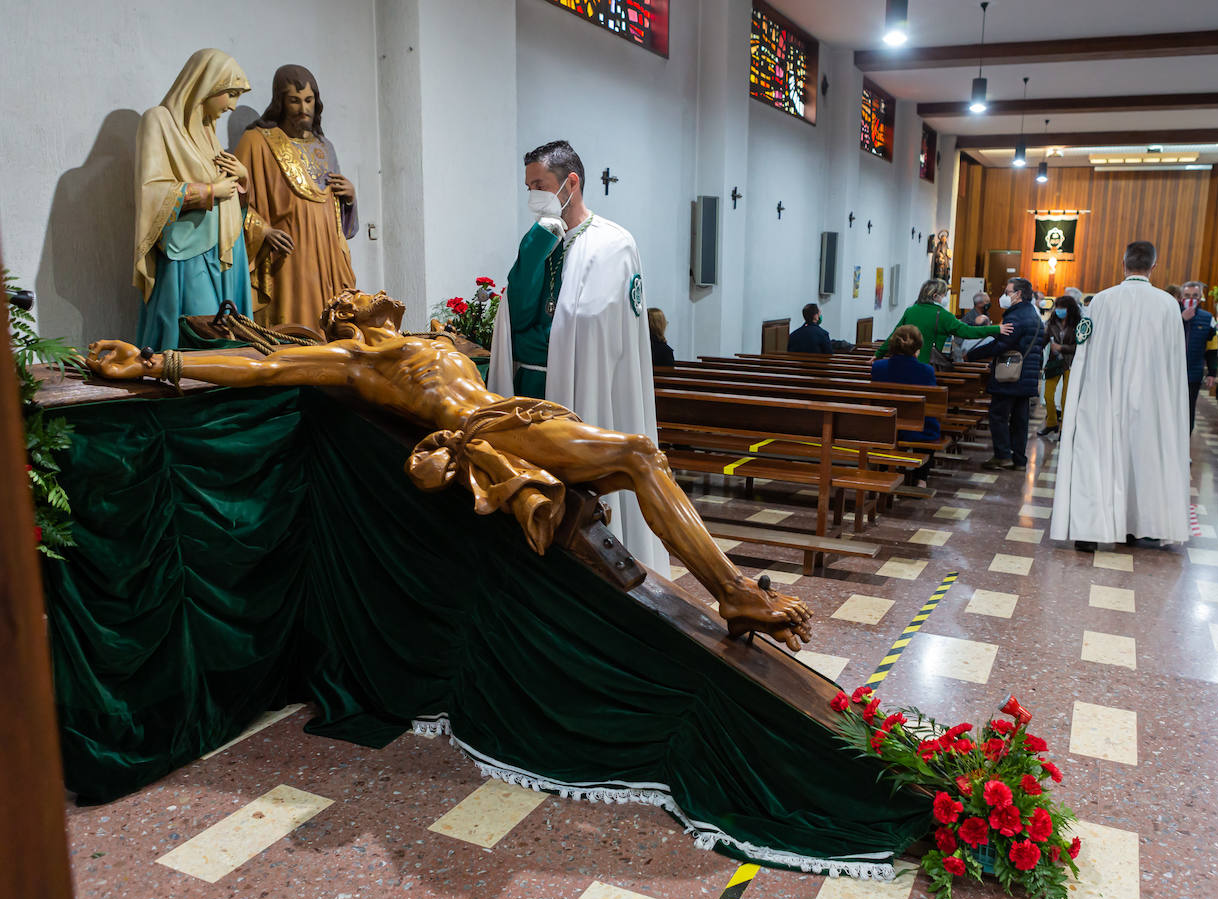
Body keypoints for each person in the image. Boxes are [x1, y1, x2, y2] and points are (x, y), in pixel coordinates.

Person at [87, 289, 812, 650]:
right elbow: (264, 366)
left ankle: (732, 590)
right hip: (487, 432)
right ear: (346, 315)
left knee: (638, 456)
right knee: (636, 454)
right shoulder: (356, 357)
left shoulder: (427, 337)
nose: (368, 288)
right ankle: (732, 593)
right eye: (354, 291)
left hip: (521, 413)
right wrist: (159, 362)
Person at [489, 139, 667, 573]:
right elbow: (517, 315)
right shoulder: (540, 238)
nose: (533, 194)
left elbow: (593, 325)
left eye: (540, 185)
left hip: (582, 392)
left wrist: (550, 337)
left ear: (571, 183)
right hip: (531, 393)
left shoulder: (614, 244)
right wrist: (535, 247)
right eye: (528, 185)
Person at [1049, 241, 1190, 550]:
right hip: (1152, 399)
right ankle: (1139, 526)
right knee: (1144, 459)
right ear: (1154, 267)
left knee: (1096, 459)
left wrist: (1080, 397)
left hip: (1104, 396)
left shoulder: (1101, 301)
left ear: (1122, 264)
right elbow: (1174, 362)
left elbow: (1084, 352)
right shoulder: (1168, 304)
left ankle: (1090, 530)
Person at [133, 49, 254, 351]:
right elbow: (151, 191)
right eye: (230, 94)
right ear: (207, 84)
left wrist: (243, 180)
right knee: (199, 335)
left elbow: (230, 193)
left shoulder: (208, 131)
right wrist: (209, 193)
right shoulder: (158, 121)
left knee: (228, 337)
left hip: (226, 250)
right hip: (189, 251)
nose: (233, 105)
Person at [235, 65, 359, 331]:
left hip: (327, 256)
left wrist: (349, 200)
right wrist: (263, 230)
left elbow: (338, 216)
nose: (303, 107)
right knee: (293, 326)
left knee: (329, 326)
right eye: (294, 100)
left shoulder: (325, 147)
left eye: (309, 100)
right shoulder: (256, 142)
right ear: (280, 101)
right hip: (287, 255)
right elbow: (235, 202)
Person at [976, 277, 1041, 471]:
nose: (1004, 296)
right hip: (1027, 374)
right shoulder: (1034, 314)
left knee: (998, 416)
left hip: (1010, 375)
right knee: (1020, 420)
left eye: (1007, 292)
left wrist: (972, 354)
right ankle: (1019, 459)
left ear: (1018, 294)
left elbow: (1002, 345)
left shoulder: (1016, 316)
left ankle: (1003, 455)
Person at [875, 278, 1009, 362]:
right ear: (935, 296)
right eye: (945, 294)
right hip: (929, 363)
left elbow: (894, 334)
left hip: (906, 361)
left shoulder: (911, 310)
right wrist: (996, 328)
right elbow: (967, 332)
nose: (946, 298)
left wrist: (878, 354)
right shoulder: (944, 315)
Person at [870, 325, 941, 442]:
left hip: (885, 424)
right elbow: (933, 402)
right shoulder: (926, 370)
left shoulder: (878, 367)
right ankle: (928, 459)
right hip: (919, 428)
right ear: (917, 348)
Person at [1179, 280, 1218, 433]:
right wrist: (1181, 320)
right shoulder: (1172, 314)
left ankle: (1184, 449)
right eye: (1187, 295)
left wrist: (1212, 373)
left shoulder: (1208, 318)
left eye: (1195, 295)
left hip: (1193, 373)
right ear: (1182, 297)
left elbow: (1212, 348)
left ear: (1201, 297)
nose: (1191, 298)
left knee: (1188, 411)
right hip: (1170, 372)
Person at [1039, 294, 1080, 439]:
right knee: (1048, 395)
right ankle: (1051, 423)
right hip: (1053, 363)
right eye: (1058, 307)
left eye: (1063, 308)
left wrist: (1062, 348)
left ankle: (1064, 428)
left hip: (1070, 363)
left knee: (1065, 399)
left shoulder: (1077, 324)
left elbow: (1079, 347)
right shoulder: (1051, 324)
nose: (1059, 310)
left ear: (1070, 309)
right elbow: (1042, 343)